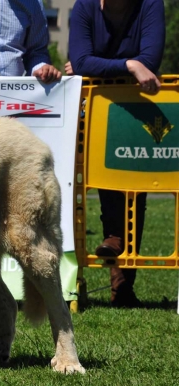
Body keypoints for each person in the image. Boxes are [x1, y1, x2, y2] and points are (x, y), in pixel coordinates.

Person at [66, 0, 165, 308]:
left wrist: (103, 65)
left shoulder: (150, 4)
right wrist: (129, 66)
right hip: (98, 110)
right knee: (104, 176)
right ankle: (114, 244)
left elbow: (151, 57)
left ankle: (122, 280)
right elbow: (80, 61)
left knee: (138, 192)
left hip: (139, 109)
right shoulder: (83, 7)